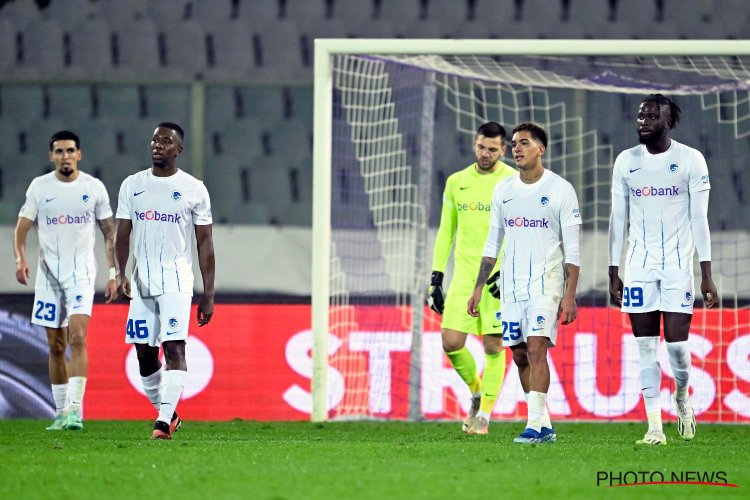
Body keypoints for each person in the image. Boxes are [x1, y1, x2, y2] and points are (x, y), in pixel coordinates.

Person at [608, 94, 717, 446]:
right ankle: (654, 427)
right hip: (638, 265)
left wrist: (706, 272)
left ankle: (682, 396)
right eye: (640, 116)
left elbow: (700, 219)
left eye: (651, 117)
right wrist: (613, 269)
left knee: (676, 347)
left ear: (667, 121)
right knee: (644, 346)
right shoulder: (626, 161)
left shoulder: (690, 159)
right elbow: (618, 218)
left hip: (677, 266)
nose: (643, 122)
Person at [468, 122, 581, 444]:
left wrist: (570, 295)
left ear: (540, 149)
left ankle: (533, 426)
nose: (517, 148)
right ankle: (544, 425)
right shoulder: (504, 190)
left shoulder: (560, 189)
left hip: (547, 281)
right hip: (511, 285)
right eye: (515, 143)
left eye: (524, 143)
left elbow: (572, 249)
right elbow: (492, 244)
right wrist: (479, 287)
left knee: (536, 349)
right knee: (518, 354)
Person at [115, 122, 215, 440]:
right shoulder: (132, 185)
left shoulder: (194, 189)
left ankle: (162, 423)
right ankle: (169, 412)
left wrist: (209, 293)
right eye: (155, 140)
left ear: (179, 149)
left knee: (174, 348)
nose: (158, 145)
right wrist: (118, 274)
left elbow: (205, 243)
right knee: (144, 354)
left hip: (176, 280)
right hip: (141, 283)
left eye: (166, 141)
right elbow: (122, 234)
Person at [13, 130, 118, 431]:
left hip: (82, 275)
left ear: (79, 154)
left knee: (78, 338)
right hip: (48, 277)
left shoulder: (93, 188)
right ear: (51, 157)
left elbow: (109, 232)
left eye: (70, 150)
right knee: (56, 345)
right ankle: (60, 413)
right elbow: (21, 229)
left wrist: (113, 273)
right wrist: (20, 259)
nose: (65, 156)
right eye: (58, 152)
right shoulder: (40, 187)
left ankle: (75, 409)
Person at [427, 122, 516, 435]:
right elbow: (446, 231)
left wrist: (510, 269)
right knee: (451, 342)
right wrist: (436, 277)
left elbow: (522, 229)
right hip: (464, 277)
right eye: (482, 147)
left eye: (493, 149)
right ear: (474, 144)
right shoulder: (456, 182)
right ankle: (477, 394)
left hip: (497, 279)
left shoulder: (513, 181)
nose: (486, 154)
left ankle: (484, 417)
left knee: (494, 346)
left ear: (503, 150)